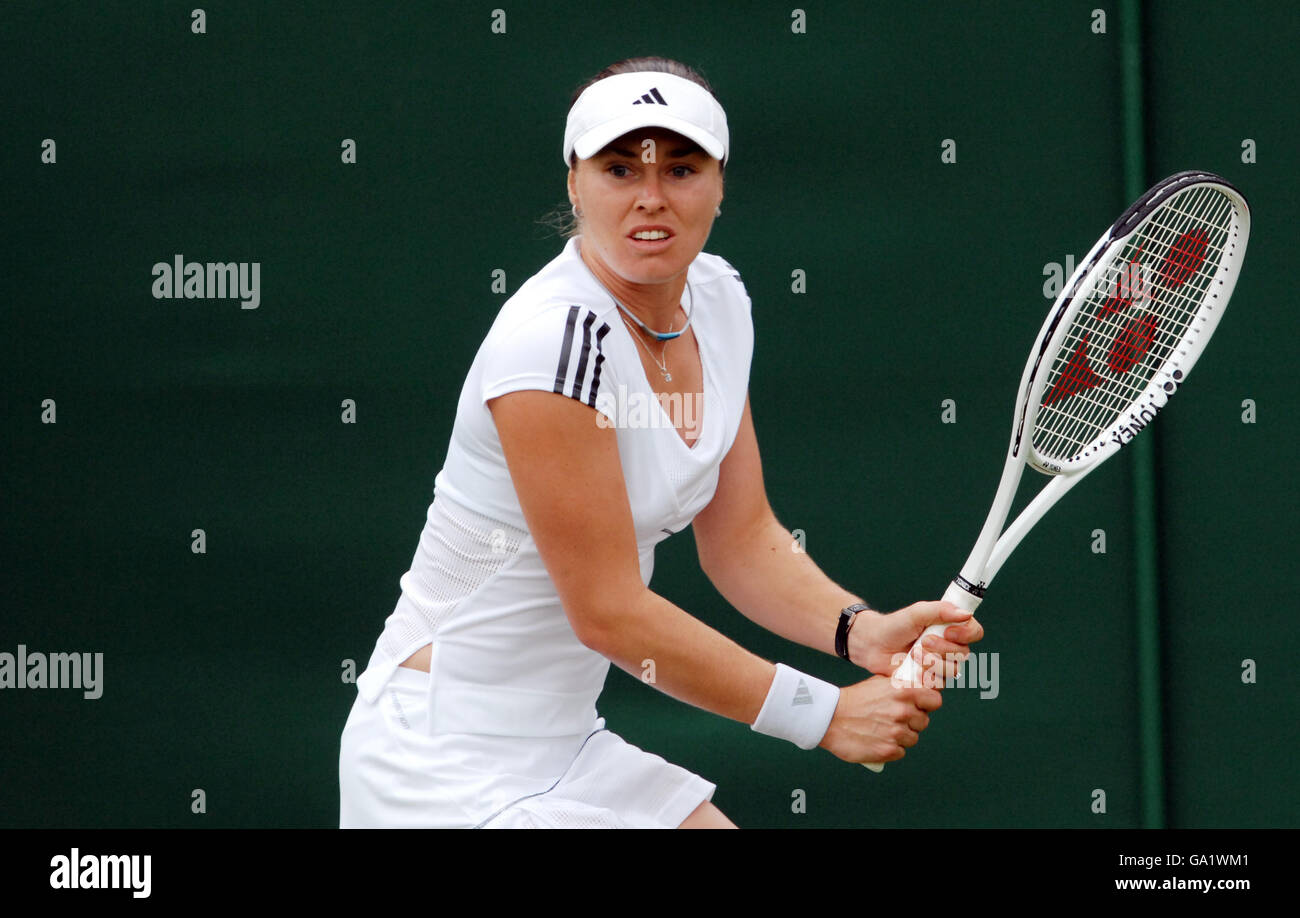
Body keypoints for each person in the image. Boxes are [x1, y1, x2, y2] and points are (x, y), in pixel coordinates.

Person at [338, 57, 984, 829]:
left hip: (564, 744)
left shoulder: (717, 300)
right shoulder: (554, 344)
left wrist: (858, 631)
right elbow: (609, 612)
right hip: (438, 758)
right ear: (574, 183)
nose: (651, 197)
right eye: (619, 169)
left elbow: (741, 539)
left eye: (681, 168)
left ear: (719, 185)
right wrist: (823, 716)